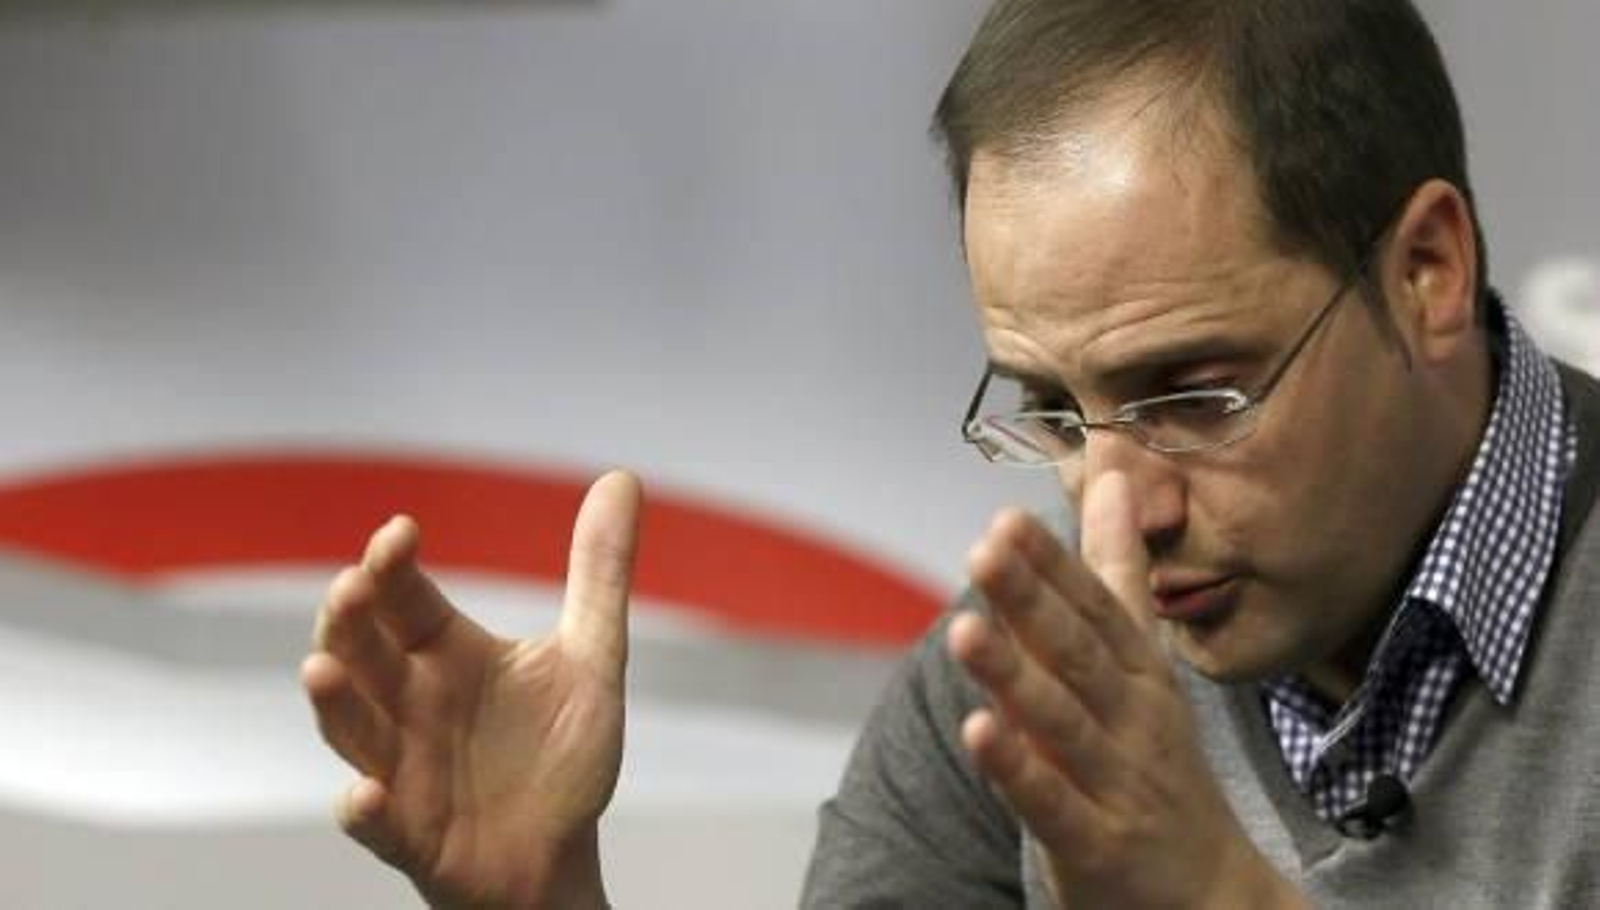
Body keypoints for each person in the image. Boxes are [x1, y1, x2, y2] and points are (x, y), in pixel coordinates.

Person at [301, 0, 1600, 906]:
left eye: (1195, 395)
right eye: (1055, 410)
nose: (1119, 509)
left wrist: (1214, 893)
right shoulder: (1012, 686)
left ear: (1425, 273)